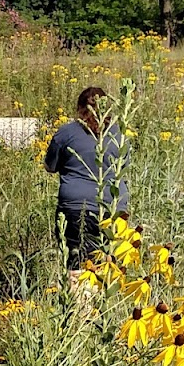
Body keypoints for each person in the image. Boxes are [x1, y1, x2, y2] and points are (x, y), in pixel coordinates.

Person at [43, 85, 129, 270]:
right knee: (108, 265)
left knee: (77, 264)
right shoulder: (120, 136)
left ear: (79, 110)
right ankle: (101, 297)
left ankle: (80, 297)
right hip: (114, 209)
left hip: (76, 207)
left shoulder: (67, 132)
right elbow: (123, 168)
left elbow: (50, 166)